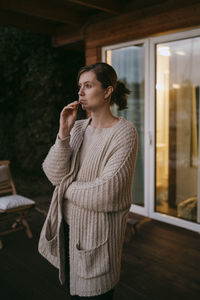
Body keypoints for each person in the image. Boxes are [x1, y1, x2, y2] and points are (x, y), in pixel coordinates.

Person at [38, 62, 138, 299]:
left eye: (89, 85)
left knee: (96, 293)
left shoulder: (124, 133)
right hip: (68, 230)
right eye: (79, 86)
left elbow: (106, 192)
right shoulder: (78, 128)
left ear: (107, 91)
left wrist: (63, 186)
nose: (80, 92)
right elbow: (52, 172)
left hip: (98, 237)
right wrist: (63, 133)